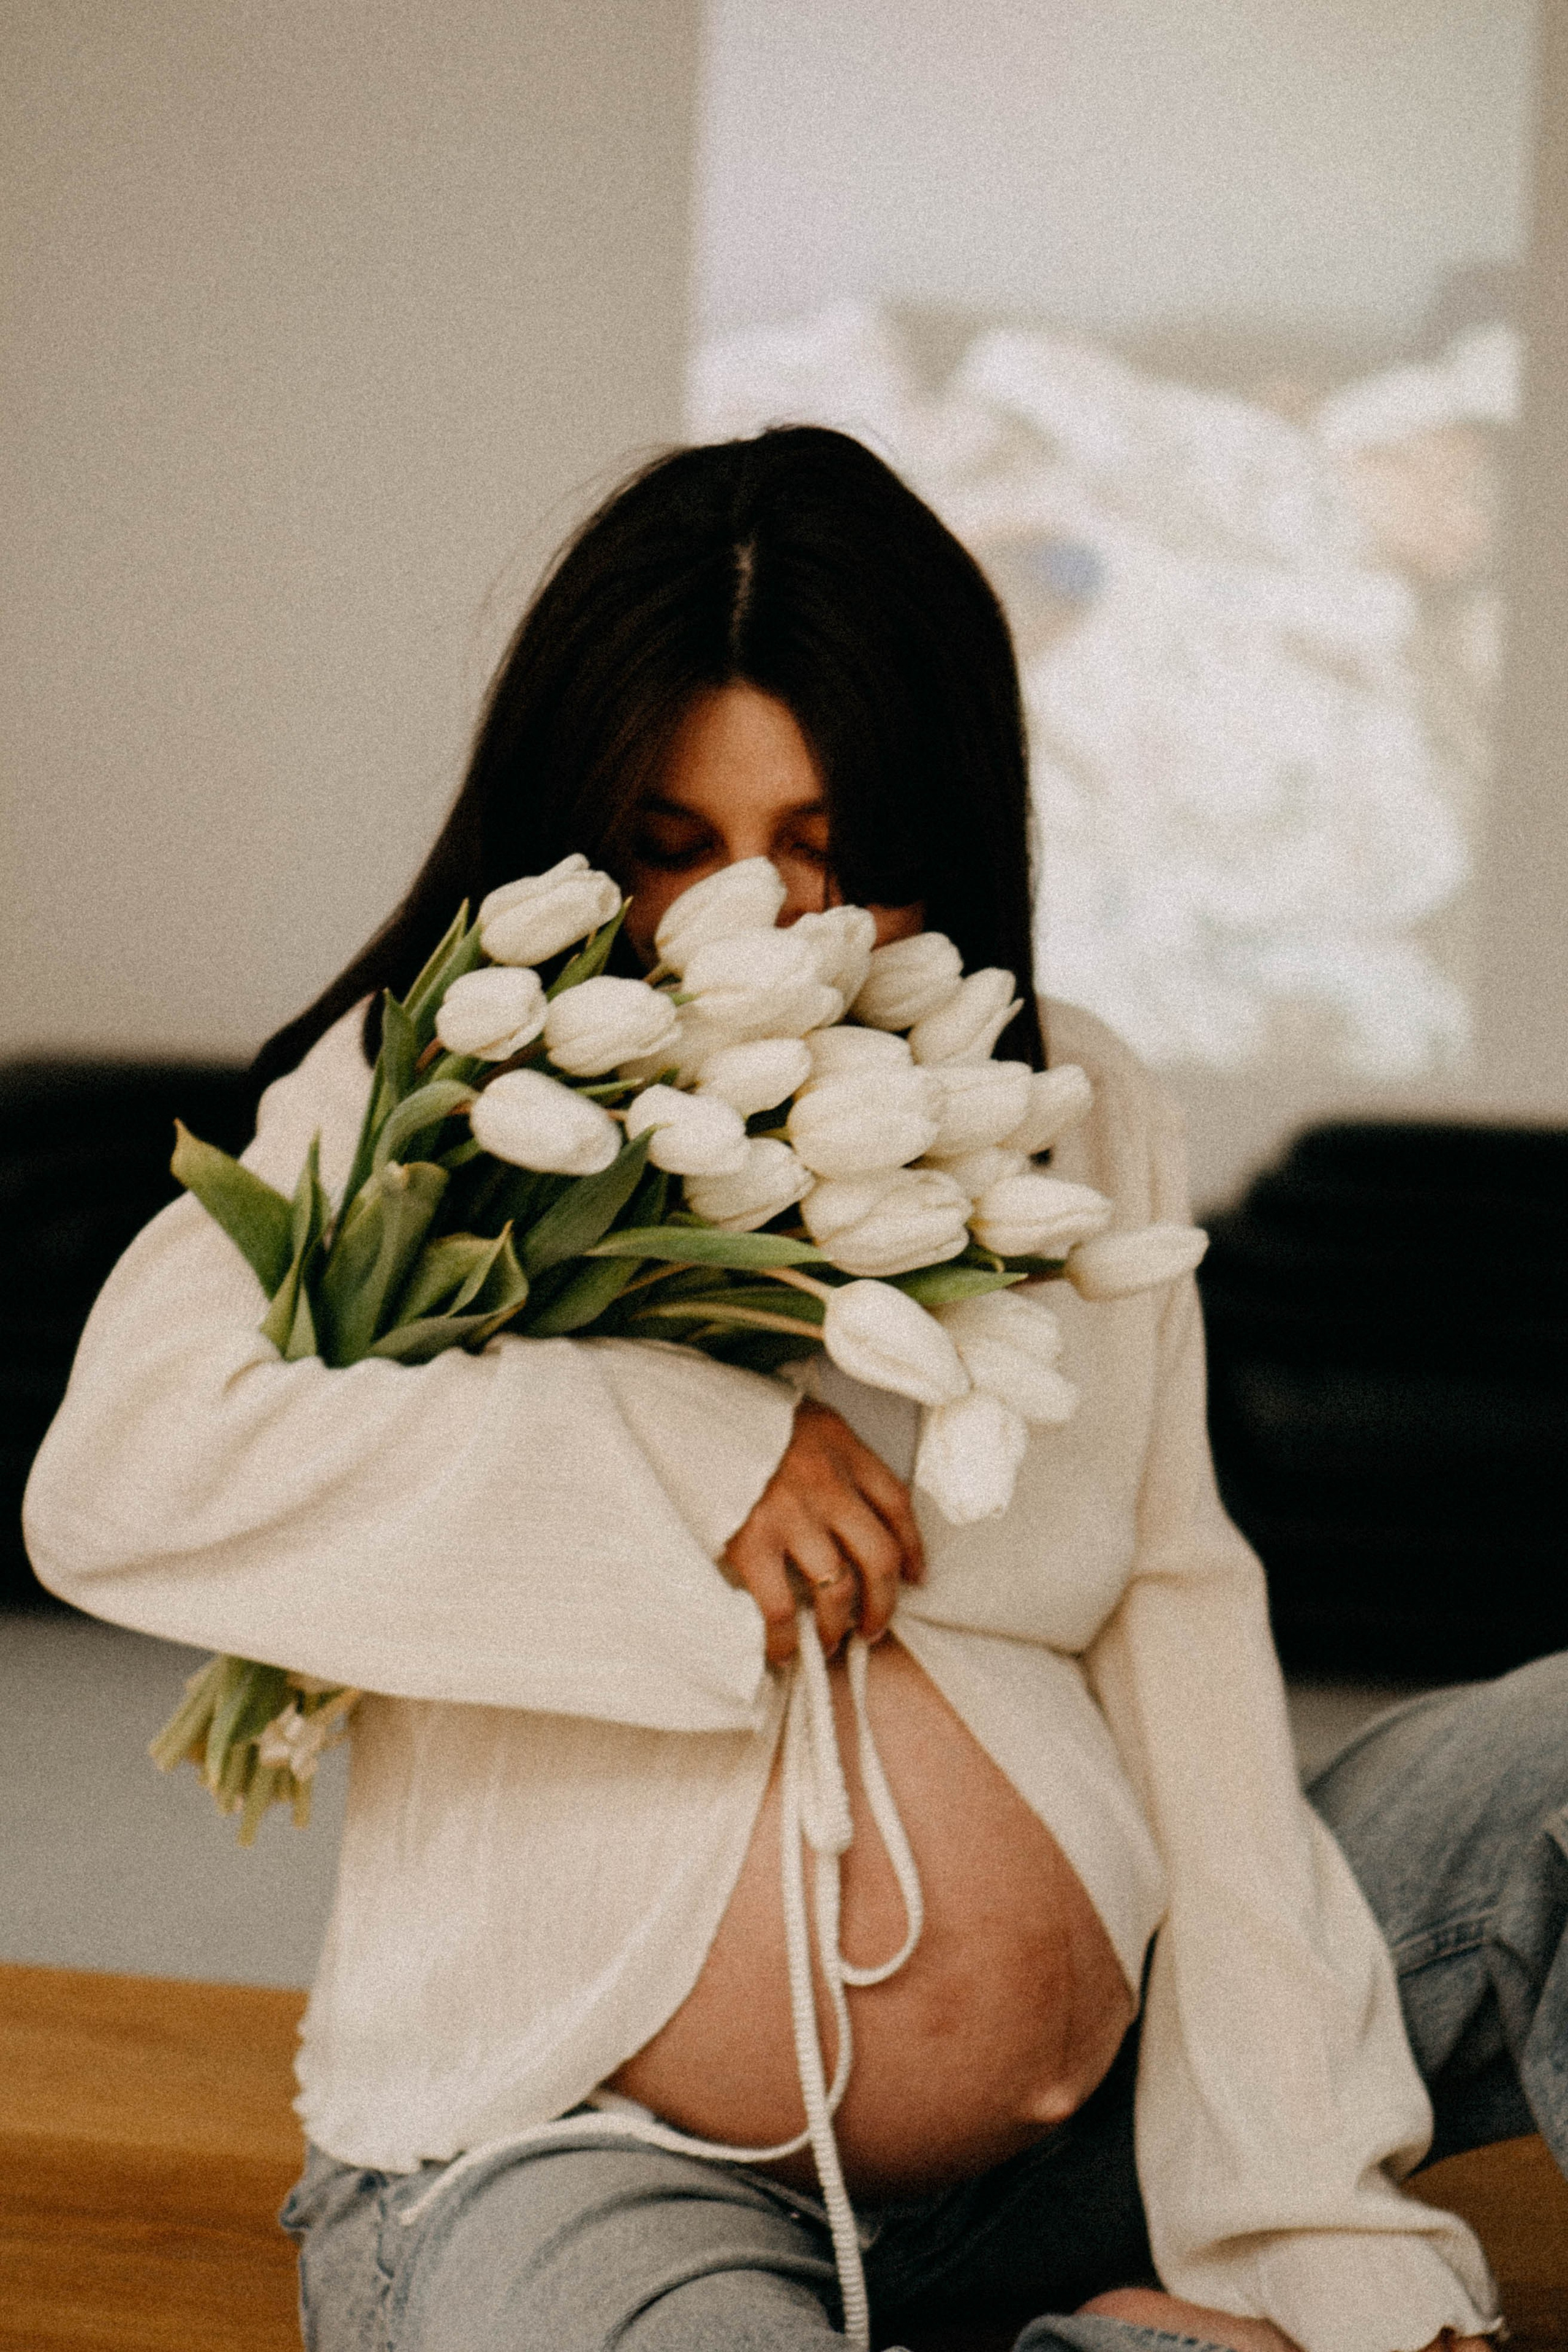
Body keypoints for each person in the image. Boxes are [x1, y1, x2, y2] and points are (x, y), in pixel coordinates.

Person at [23, 427, 1567, 2352]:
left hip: (1093, 2141)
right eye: (672, 847)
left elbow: (1181, 1641)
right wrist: (694, 1454)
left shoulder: (1075, 1097)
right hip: (571, 2158)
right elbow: (125, 1471)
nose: (751, 923)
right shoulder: (435, 1086)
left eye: (832, 848)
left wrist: (1304, 2223)